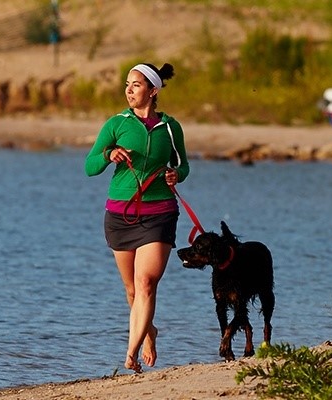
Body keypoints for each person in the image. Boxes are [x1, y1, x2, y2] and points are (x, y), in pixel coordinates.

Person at [84, 62, 188, 373]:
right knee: (131, 290)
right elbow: (89, 166)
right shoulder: (116, 125)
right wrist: (108, 155)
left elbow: (183, 165)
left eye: (136, 84)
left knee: (145, 284)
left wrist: (175, 175)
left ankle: (130, 352)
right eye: (127, 84)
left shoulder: (170, 128)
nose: (129, 90)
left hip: (159, 215)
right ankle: (148, 334)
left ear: (153, 91)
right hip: (120, 216)